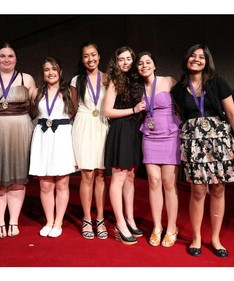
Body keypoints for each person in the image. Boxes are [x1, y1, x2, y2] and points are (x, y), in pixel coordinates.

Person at [171, 44, 234, 257]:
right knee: (197, 190)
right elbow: (178, 117)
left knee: (218, 188)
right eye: (193, 56)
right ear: (186, 59)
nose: (196, 59)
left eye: (201, 57)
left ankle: (215, 238)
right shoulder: (178, 89)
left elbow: (232, 115)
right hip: (193, 143)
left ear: (207, 61)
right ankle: (196, 237)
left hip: (220, 141)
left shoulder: (218, 82)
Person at [0, 43, 36, 238]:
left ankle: (13, 220)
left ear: (16, 58)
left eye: (10, 55)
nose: (6, 59)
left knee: (17, 179)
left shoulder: (26, 78)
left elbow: (37, 106)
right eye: (2, 56)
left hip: (21, 132)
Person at [136, 51, 181, 247]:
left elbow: (185, 102)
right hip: (149, 134)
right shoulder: (137, 89)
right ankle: (157, 227)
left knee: (168, 182)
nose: (144, 65)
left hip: (170, 134)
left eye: (148, 62)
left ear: (154, 65)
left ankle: (171, 228)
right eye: (140, 63)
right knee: (153, 181)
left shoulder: (169, 81)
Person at [103, 46, 146, 245]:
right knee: (118, 178)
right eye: (121, 59)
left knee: (130, 176)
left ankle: (129, 218)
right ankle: (119, 222)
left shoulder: (135, 80)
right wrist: (133, 109)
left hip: (133, 131)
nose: (126, 62)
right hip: (120, 130)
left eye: (129, 58)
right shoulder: (114, 81)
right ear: (116, 62)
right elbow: (107, 111)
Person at [29, 56, 76, 238]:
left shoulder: (69, 91)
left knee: (62, 182)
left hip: (63, 135)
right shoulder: (37, 92)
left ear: (60, 72)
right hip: (42, 136)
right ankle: (49, 221)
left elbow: (75, 113)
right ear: (43, 73)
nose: (50, 72)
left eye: (54, 69)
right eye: (47, 69)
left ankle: (58, 222)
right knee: (45, 183)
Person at [70, 41, 109, 240]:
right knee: (87, 174)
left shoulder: (109, 79)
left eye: (93, 55)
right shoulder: (77, 80)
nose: (90, 59)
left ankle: (100, 218)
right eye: (86, 56)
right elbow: (74, 107)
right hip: (84, 125)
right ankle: (87, 218)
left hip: (103, 125)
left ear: (99, 56)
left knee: (101, 174)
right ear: (82, 59)